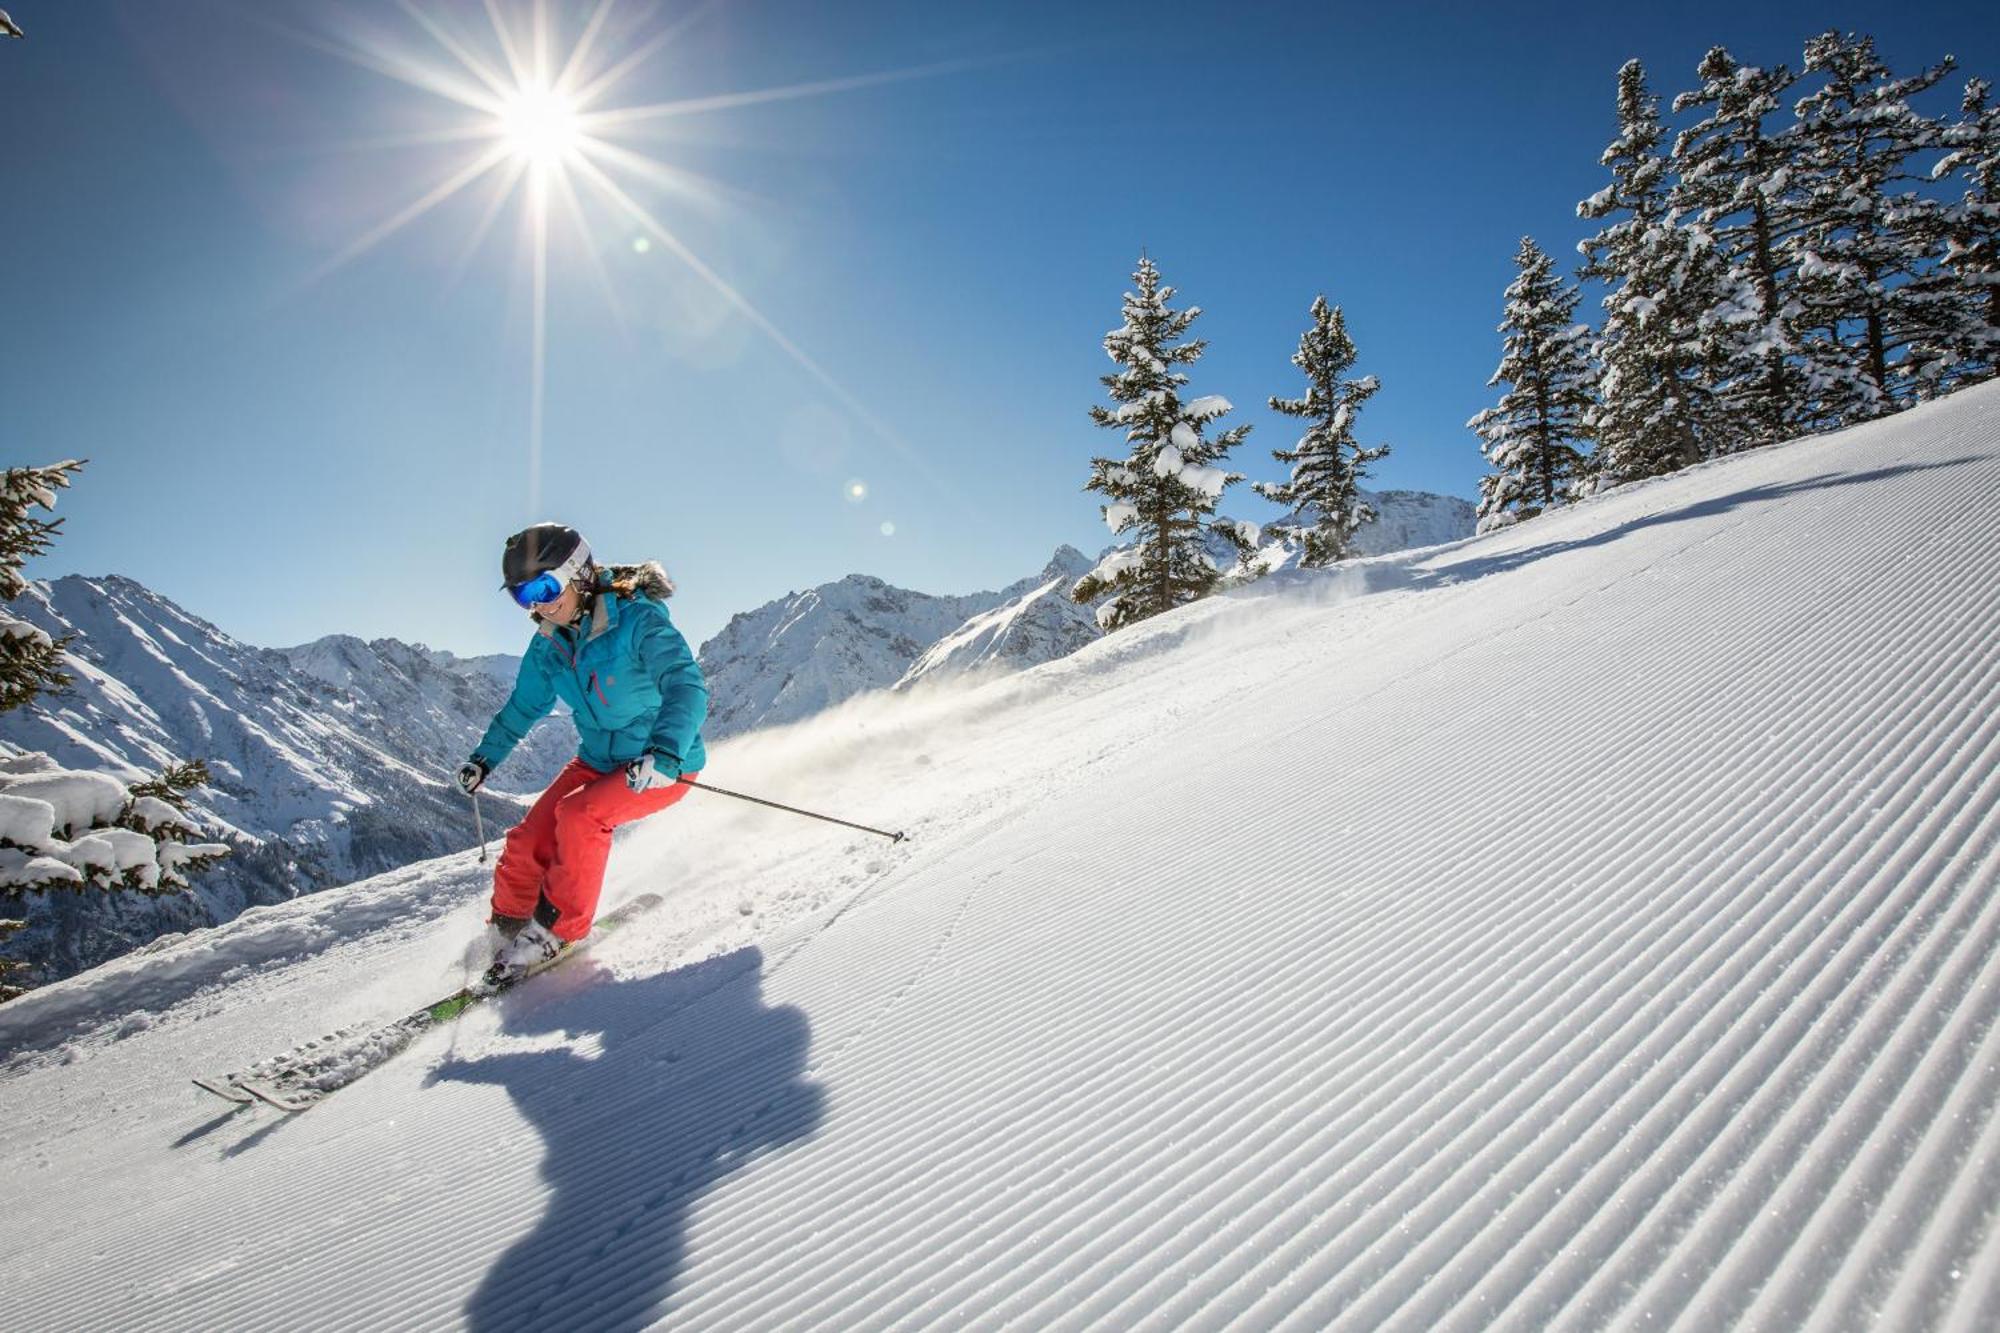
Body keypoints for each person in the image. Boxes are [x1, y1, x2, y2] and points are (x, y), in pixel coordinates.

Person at [455, 522, 709, 979]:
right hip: (597, 761)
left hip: (661, 763)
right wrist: (483, 759)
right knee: (527, 839)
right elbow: (522, 707)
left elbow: (686, 686)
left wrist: (667, 753)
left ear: (579, 574)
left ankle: (557, 931)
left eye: (545, 587)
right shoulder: (549, 643)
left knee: (580, 816)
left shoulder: (638, 621)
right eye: (522, 595)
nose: (538, 604)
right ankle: (509, 927)